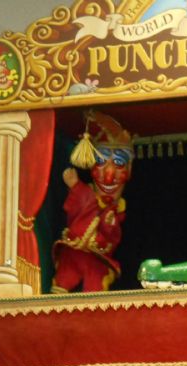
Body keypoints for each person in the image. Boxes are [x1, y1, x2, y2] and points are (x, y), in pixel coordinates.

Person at [52, 111, 133, 292]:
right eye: (101, 161)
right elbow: (78, 207)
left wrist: (109, 223)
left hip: (97, 261)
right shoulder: (85, 194)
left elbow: (111, 236)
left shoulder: (116, 211)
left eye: (119, 163)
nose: (109, 177)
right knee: (62, 281)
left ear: (129, 170)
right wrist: (75, 186)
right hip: (72, 253)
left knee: (95, 288)